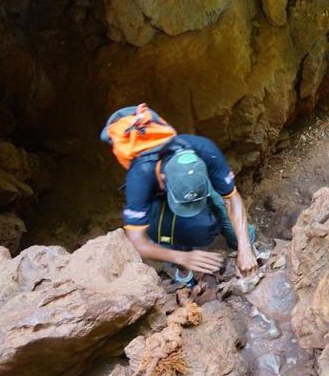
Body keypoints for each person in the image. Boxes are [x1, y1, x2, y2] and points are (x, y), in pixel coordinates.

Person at [101, 105, 258, 281]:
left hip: (192, 181)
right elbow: (136, 240)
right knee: (165, 232)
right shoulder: (140, 177)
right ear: (162, 177)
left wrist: (245, 249)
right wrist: (182, 258)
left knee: (220, 206)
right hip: (155, 190)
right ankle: (184, 275)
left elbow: (231, 198)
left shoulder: (205, 151)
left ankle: (248, 248)